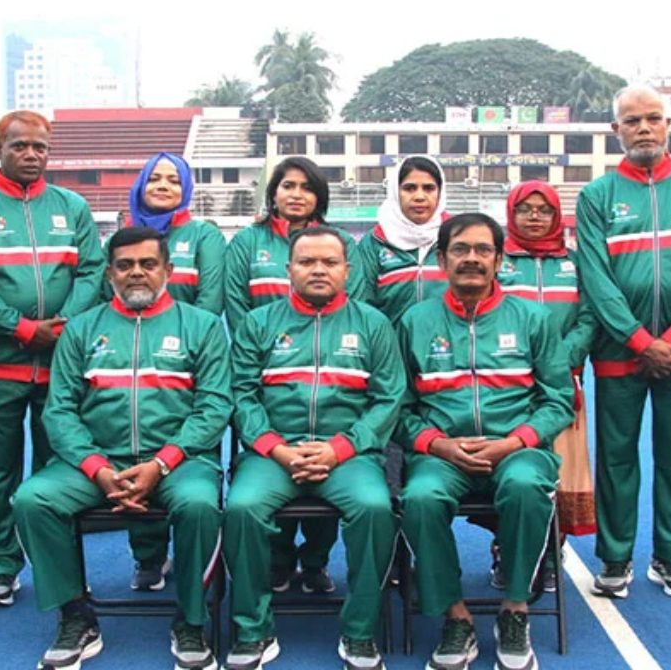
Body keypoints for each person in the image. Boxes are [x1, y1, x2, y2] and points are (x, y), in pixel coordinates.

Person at [12, 227, 231, 670]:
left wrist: (162, 463)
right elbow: (59, 411)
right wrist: (96, 467)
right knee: (32, 501)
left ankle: (192, 619)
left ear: (168, 270)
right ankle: (75, 614)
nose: (136, 273)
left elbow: (214, 407)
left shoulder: (203, 327)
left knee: (199, 505)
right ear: (109, 273)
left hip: (179, 462)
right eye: (125, 265)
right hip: (97, 462)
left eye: (148, 264)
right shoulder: (82, 329)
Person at [398, 213, 575, 670]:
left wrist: (513, 442)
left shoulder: (533, 319)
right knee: (420, 497)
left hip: (518, 451)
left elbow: (559, 400)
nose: (471, 258)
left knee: (526, 488)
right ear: (441, 260)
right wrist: (438, 445)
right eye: (460, 249)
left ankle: (515, 609)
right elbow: (398, 408)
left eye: (483, 250)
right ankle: (454, 615)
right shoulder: (414, 321)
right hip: (442, 454)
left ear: (499, 260)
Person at [223, 227, 404, 670]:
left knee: (375, 509)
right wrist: (277, 449)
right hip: (274, 454)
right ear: (289, 270)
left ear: (347, 270)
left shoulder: (373, 324)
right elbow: (242, 395)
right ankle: (253, 630)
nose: (318, 270)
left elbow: (388, 400)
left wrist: (341, 448)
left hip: (349, 455)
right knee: (242, 508)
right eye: (307, 262)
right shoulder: (258, 323)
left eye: (329, 262)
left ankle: (360, 631)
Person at [575, 86, 671, 599]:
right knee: (616, 460)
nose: (644, 128)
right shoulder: (597, 196)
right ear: (615, 130)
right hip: (619, 352)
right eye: (632, 120)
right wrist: (639, 340)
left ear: (668, 126)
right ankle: (616, 558)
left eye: (653, 118)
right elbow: (596, 277)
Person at [0, 110, 105, 608]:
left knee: (56, 468)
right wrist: (21, 328)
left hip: (60, 366)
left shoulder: (71, 206)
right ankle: (2, 565)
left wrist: (65, 324)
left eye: (40, 147)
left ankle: (54, 565)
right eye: (19, 146)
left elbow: (92, 271)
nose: (31, 155)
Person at [223, 156, 366, 595]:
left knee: (329, 471)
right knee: (270, 475)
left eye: (306, 186)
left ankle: (316, 560)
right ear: (274, 192)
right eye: (288, 185)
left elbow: (353, 307)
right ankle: (278, 559)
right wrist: (271, 347)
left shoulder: (343, 243)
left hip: (333, 373)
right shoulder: (247, 243)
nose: (297, 194)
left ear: (319, 195)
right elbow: (237, 307)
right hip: (271, 373)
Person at [105, 152, 228, 592]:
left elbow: (210, 302)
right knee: (135, 444)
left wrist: (182, 345)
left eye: (173, 180)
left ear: (186, 188)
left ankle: (194, 562)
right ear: (140, 185)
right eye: (154, 178)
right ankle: (149, 556)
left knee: (186, 457)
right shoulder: (122, 236)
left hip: (190, 359)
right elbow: (111, 301)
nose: (163, 186)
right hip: (131, 359)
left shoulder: (204, 235)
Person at [492, 181, 599, 590]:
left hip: (563, 384)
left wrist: (558, 358)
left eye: (544, 210)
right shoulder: (498, 262)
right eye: (525, 209)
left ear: (557, 216)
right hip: (509, 383)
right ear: (511, 214)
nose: (534, 217)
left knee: (561, 473)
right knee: (512, 469)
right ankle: (506, 551)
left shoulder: (575, 263)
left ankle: (552, 552)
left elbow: (589, 316)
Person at [354, 155, 449, 324]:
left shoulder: (456, 236)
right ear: (395, 192)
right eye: (409, 188)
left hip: (449, 339)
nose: (419, 196)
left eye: (428, 188)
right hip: (391, 339)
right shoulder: (374, 242)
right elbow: (362, 306)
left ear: (440, 193)